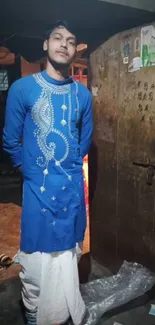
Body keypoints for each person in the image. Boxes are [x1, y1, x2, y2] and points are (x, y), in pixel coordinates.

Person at [3, 20, 93, 325]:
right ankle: (34, 315)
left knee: (68, 259)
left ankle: (63, 314)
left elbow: (84, 141)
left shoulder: (82, 95)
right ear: (46, 45)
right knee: (36, 266)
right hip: (37, 192)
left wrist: (65, 168)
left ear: (74, 48)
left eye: (70, 40)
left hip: (69, 192)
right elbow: (10, 140)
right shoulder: (22, 89)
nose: (64, 44)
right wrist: (30, 172)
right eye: (57, 38)